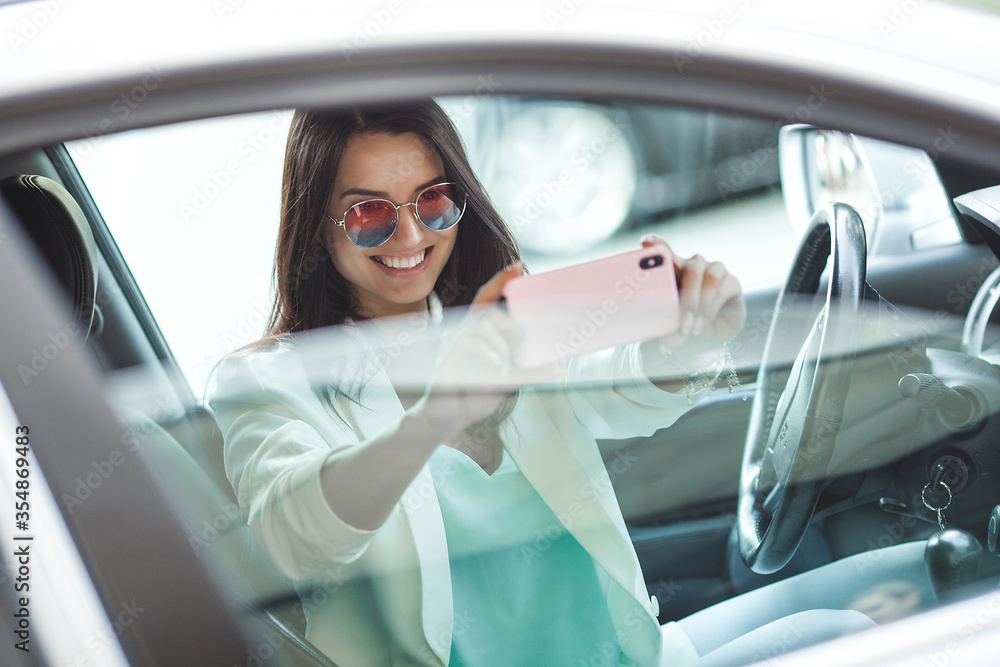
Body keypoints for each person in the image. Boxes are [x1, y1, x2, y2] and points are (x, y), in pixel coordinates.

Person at [209, 101, 931, 667]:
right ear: (317, 226)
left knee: (924, 585)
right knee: (852, 631)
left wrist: (689, 334)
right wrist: (431, 417)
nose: (410, 237)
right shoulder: (266, 382)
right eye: (369, 214)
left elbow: (611, 383)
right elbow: (297, 531)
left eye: (433, 202)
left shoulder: (496, 315)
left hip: (634, 649)